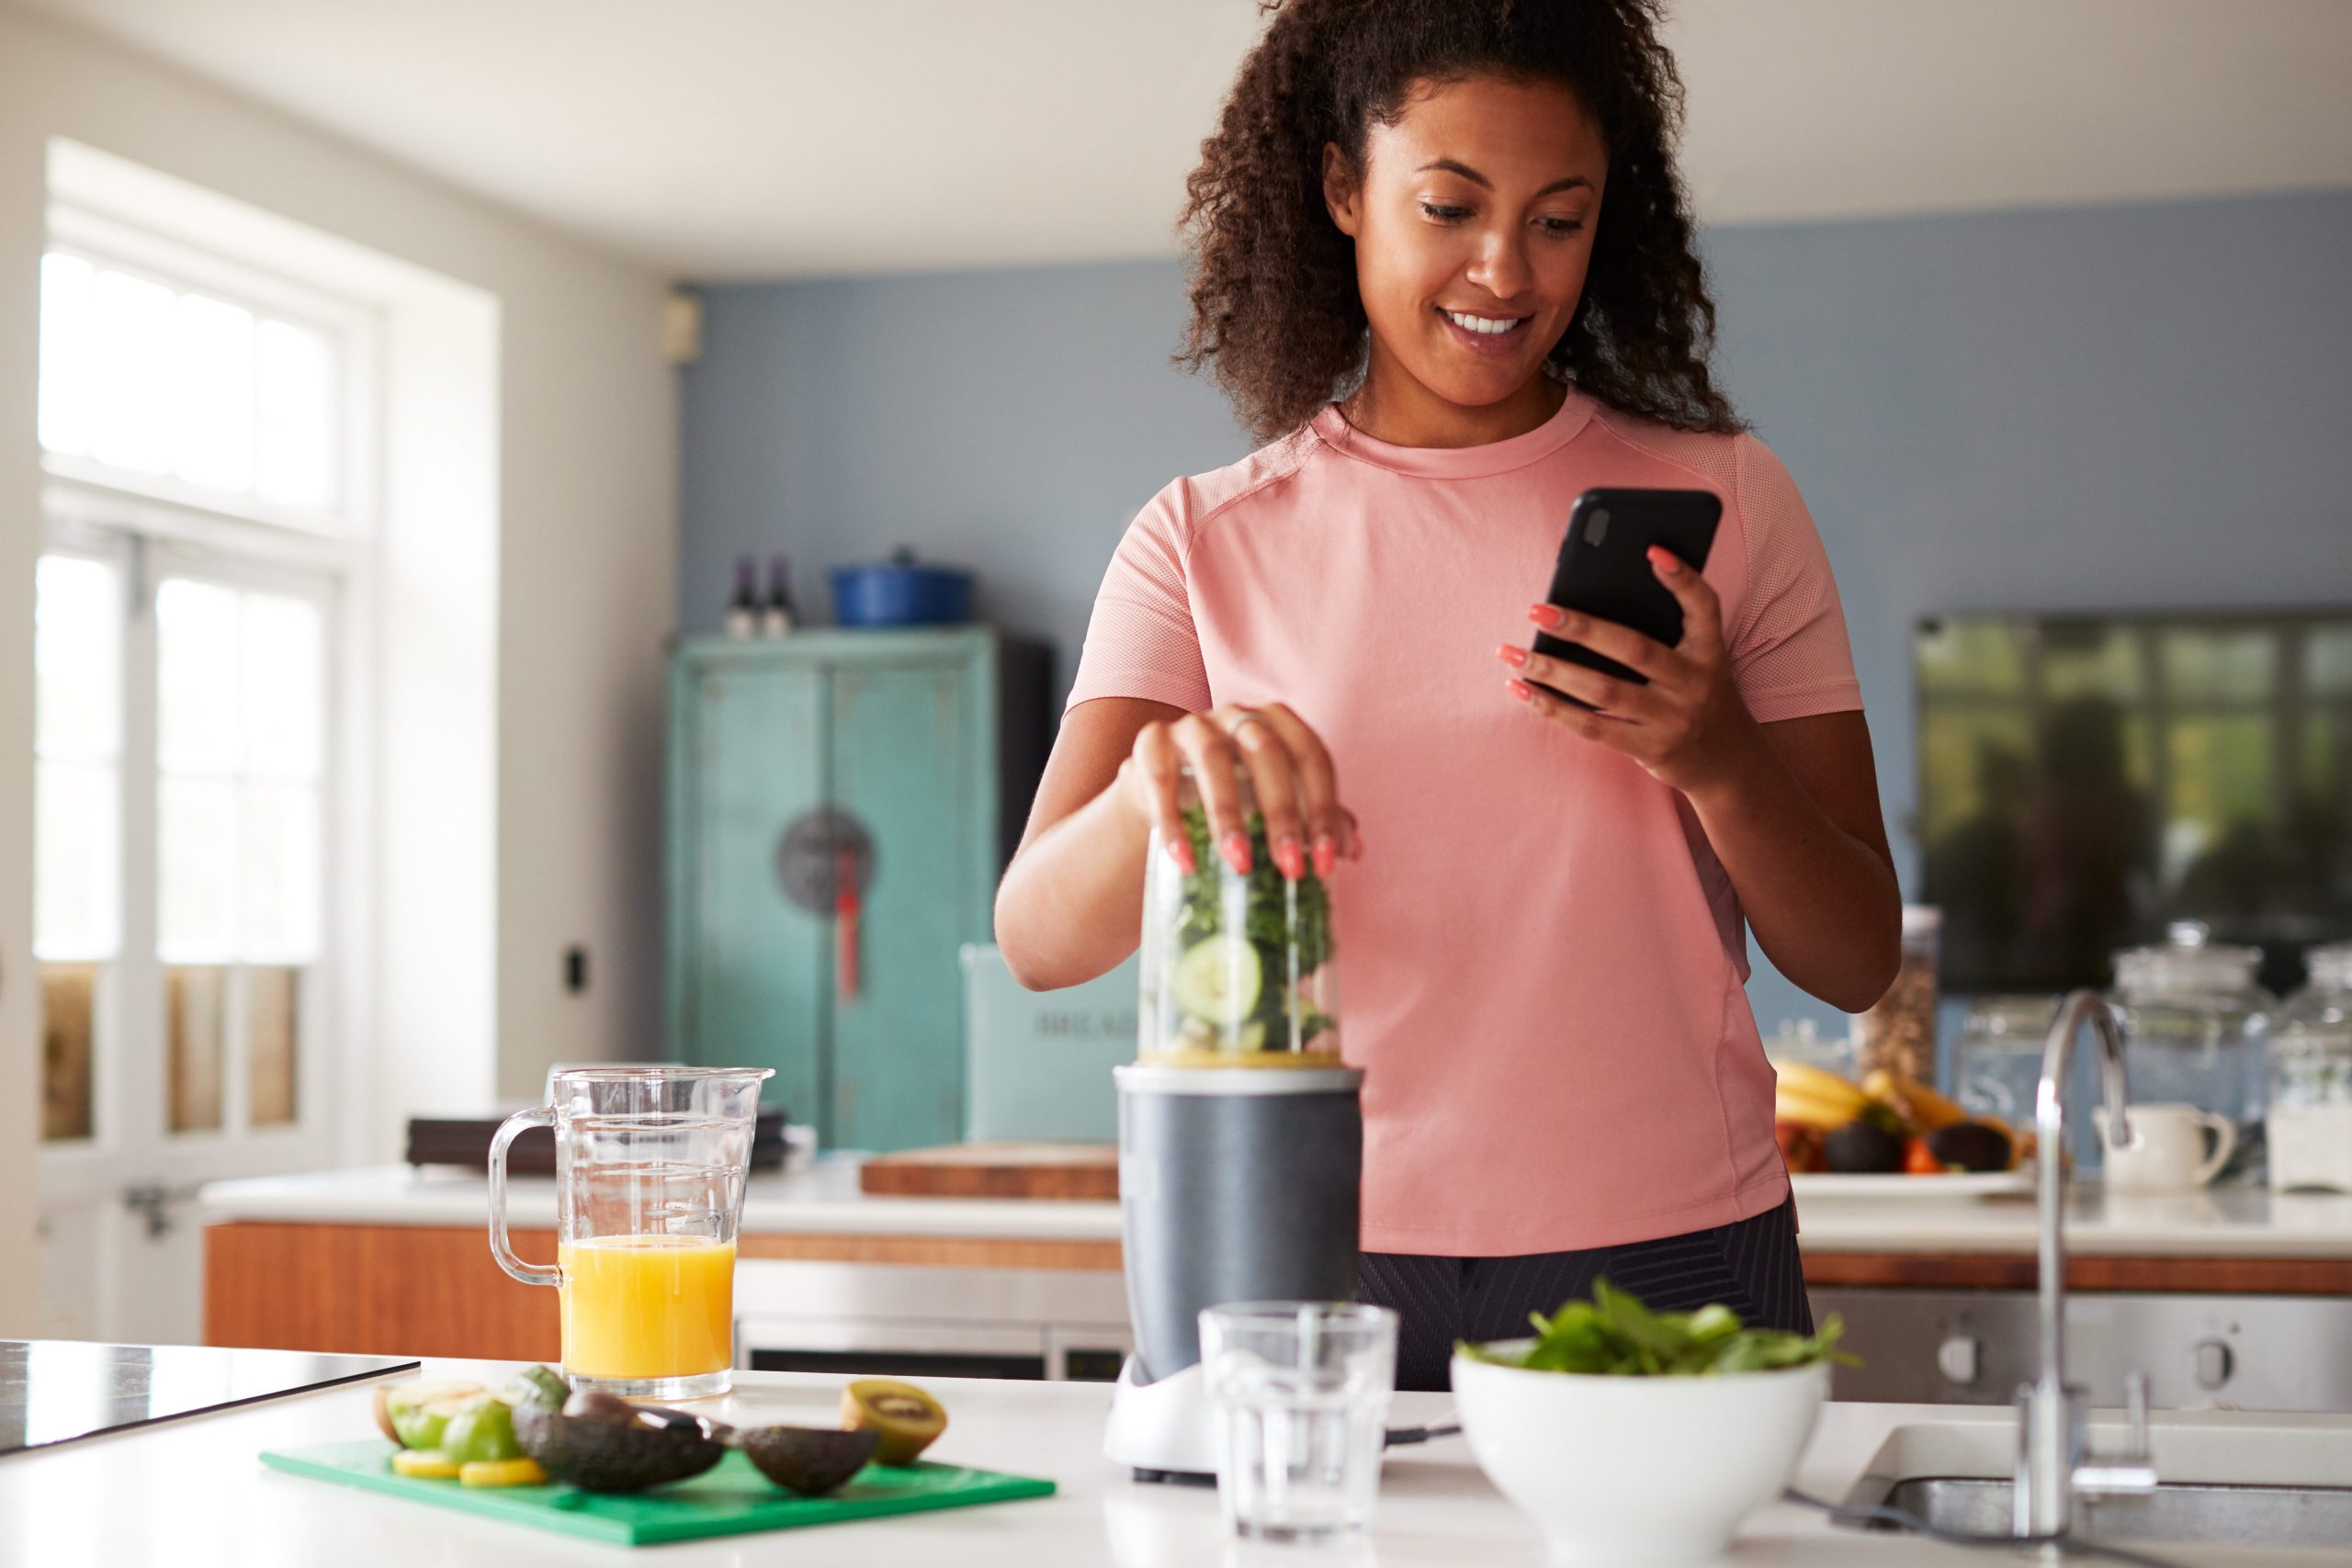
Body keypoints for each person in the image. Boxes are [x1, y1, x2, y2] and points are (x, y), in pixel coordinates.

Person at [994, 0, 1900, 1392]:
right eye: (1450, 204)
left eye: (1558, 216)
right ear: (1345, 191)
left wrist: (1717, 758)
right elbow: (1040, 938)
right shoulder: (1202, 540)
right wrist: (1155, 792)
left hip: (1672, 1244)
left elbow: (1856, 957)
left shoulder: (1729, 500)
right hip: (1298, 1242)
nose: (1505, 268)